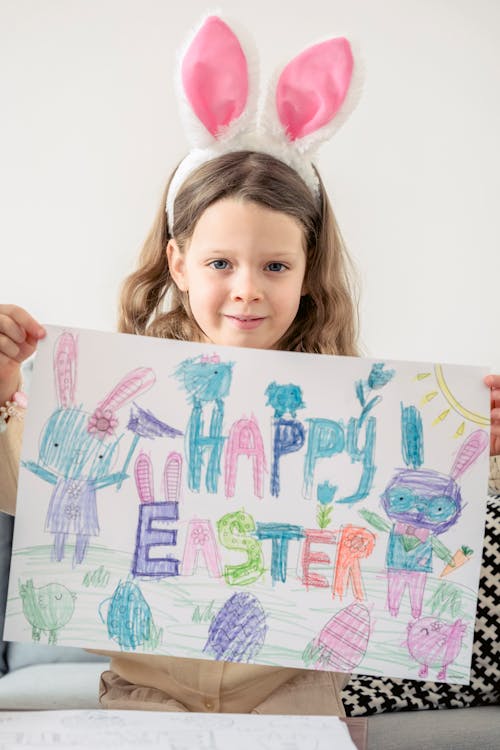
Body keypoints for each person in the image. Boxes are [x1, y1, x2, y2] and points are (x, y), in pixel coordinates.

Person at [1, 14, 499, 717]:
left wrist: (481, 448)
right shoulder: (115, 391)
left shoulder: (356, 403)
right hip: (148, 691)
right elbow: (26, 488)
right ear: (178, 262)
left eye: (274, 265)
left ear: (306, 270)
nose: (247, 287)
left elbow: (423, 519)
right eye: (219, 263)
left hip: (294, 690)